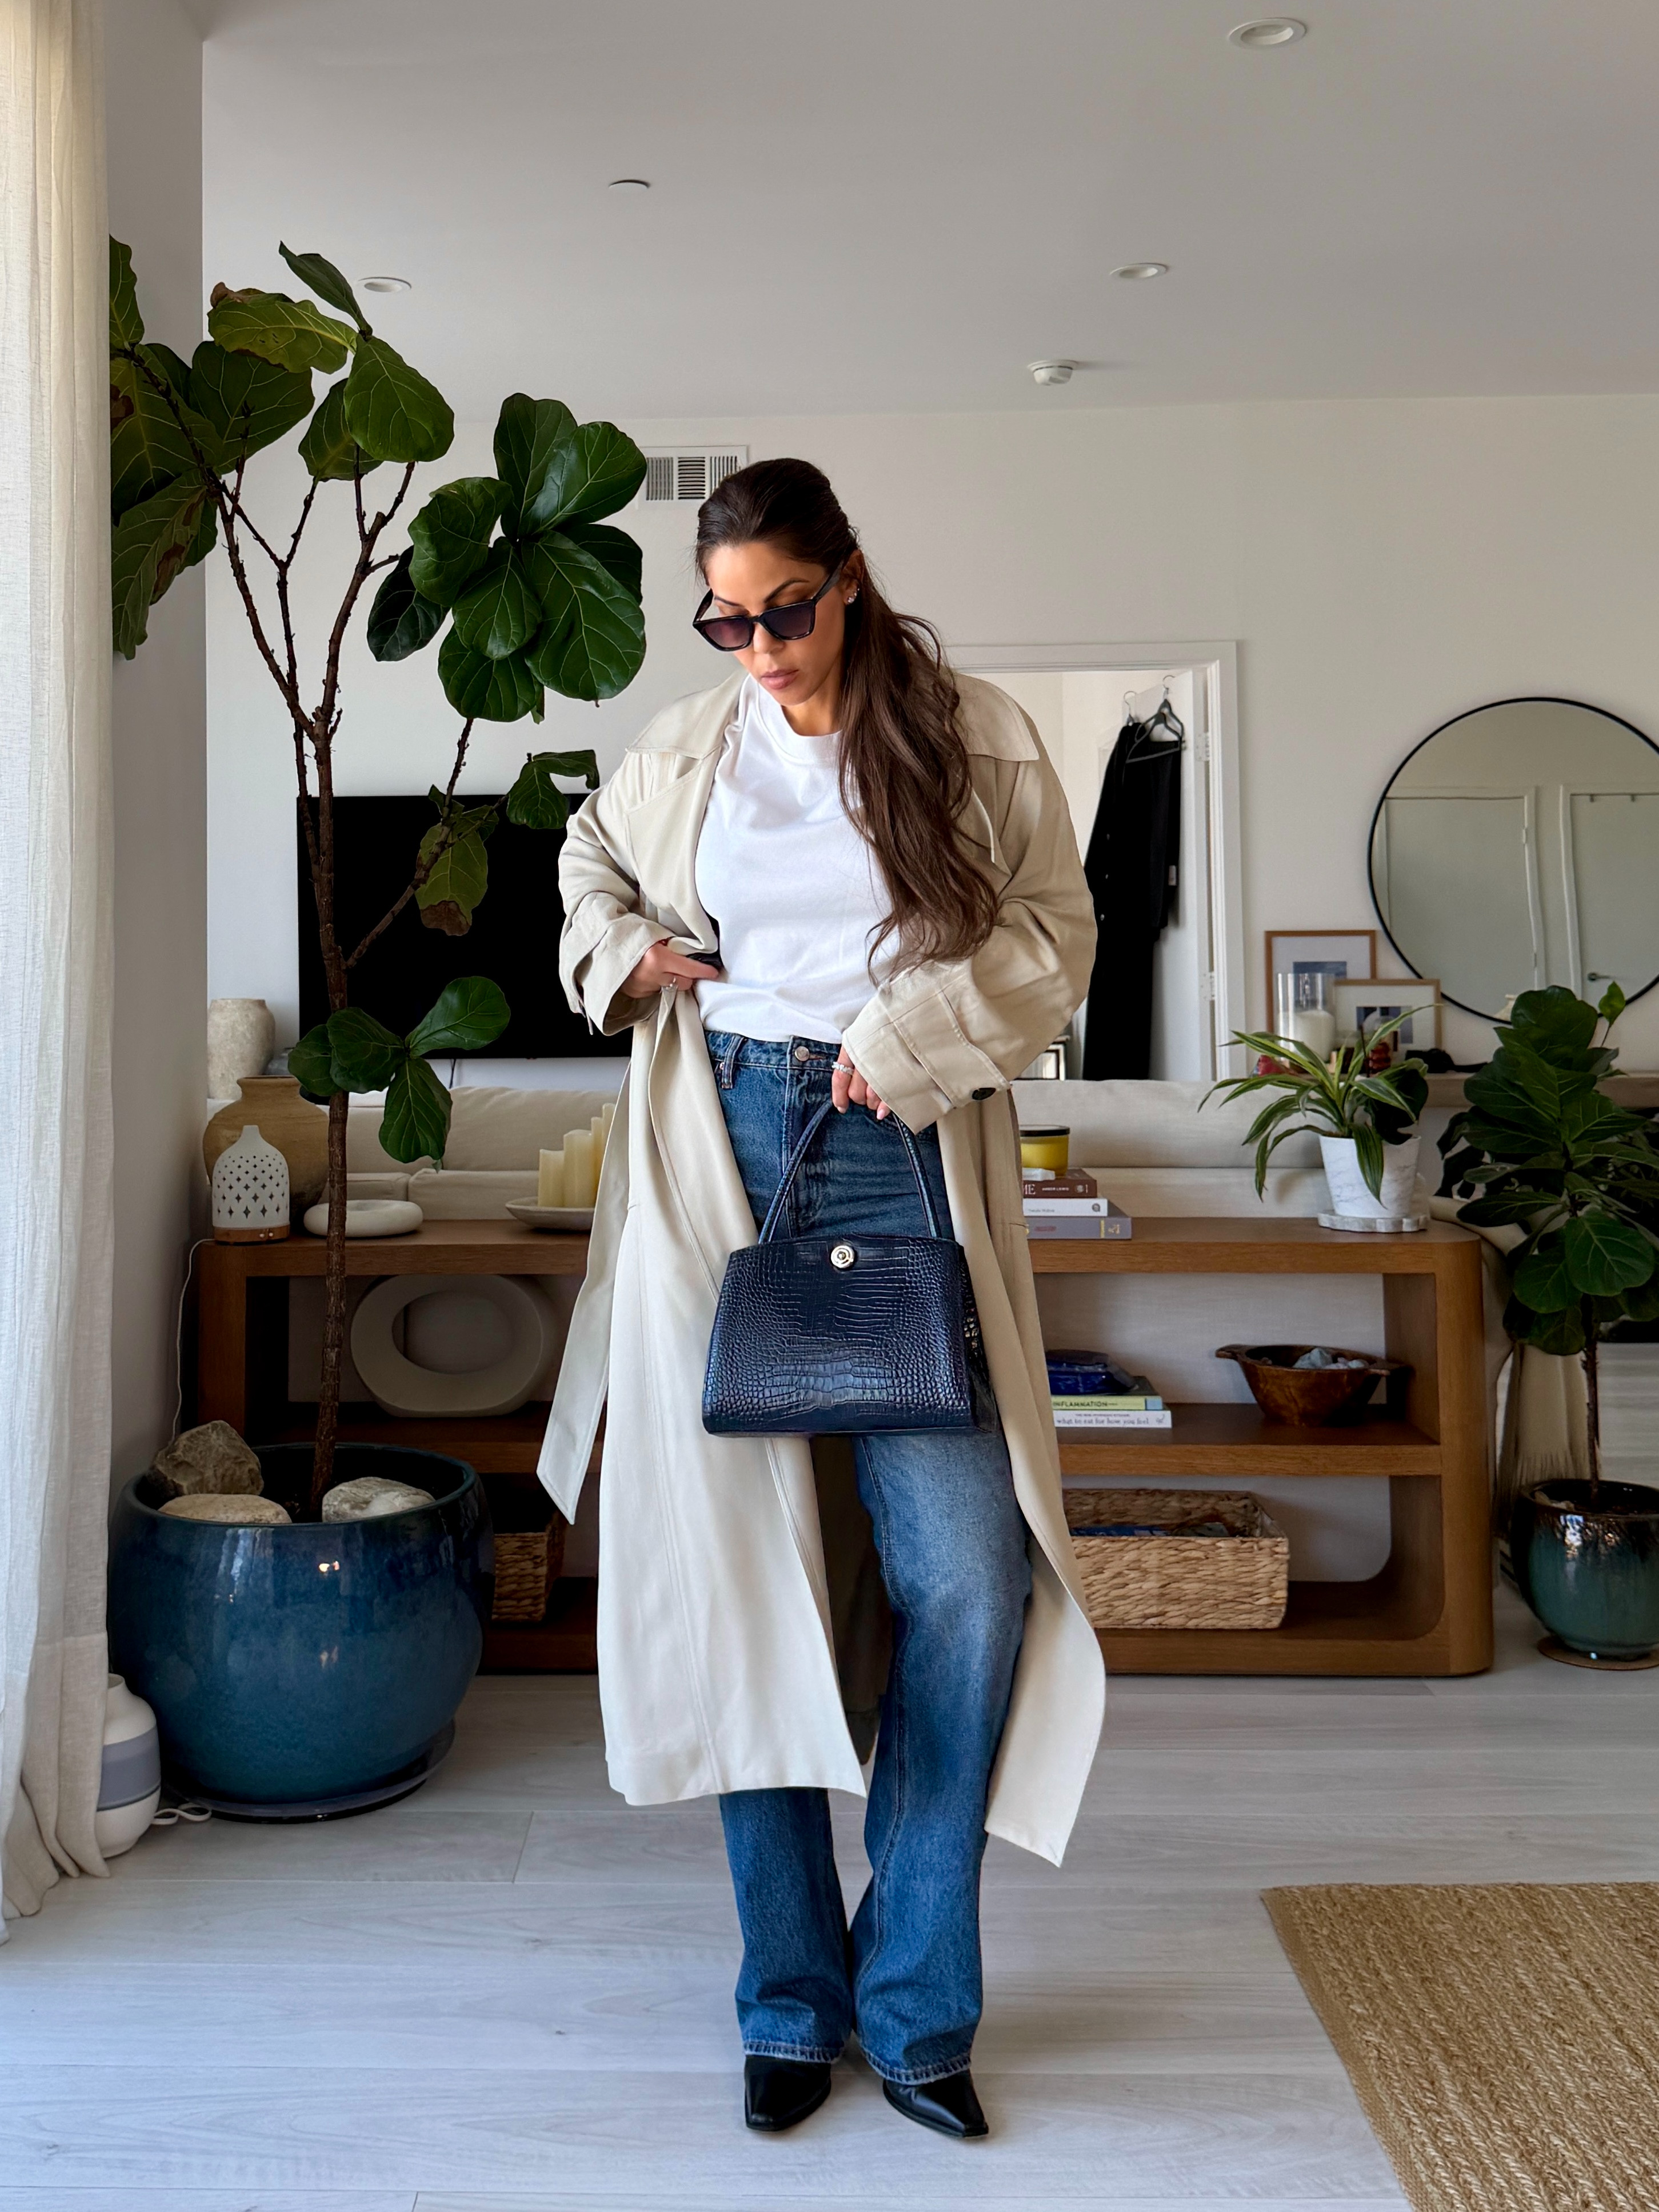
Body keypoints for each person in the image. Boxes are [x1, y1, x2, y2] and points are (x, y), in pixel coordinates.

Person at [538, 459, 1106, 2141]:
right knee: (745, 1591)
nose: (759, 646)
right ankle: (787, 2003)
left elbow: (1055, 937)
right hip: (718, 1149)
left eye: (784, 608)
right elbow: (587, 864)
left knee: (966, 1585)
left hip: (897, 1141)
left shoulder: (973, 735)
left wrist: (905, 1041)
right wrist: (628, 959)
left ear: (849, 578)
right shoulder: (688, 747)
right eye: (727, 618)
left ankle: (917, 2006)